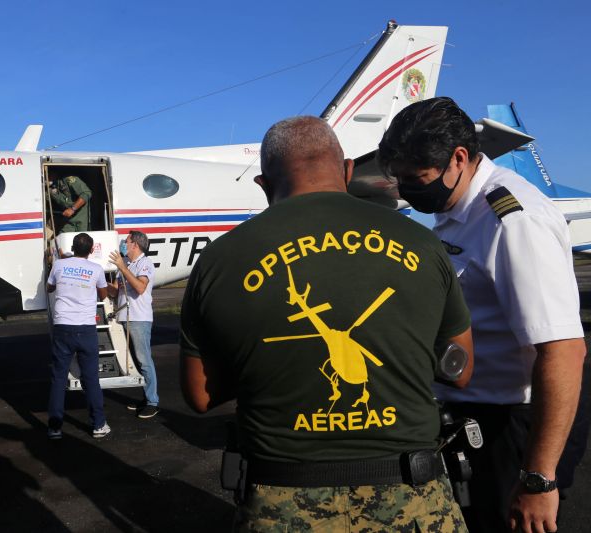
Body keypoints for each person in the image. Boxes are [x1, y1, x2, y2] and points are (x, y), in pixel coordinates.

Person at [180, 116, 473, 532]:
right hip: (416, 501)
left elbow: (200, 396)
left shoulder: (218, 261)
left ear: (263, 185)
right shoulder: (423, 244)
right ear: (349, 170)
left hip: (282, 505)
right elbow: (460, 371)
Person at [377, 96, 587, 533]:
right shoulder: (460, 209)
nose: (406, 191)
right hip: (476, 414)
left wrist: (538, 478)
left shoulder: (512, 220)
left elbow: (564, 351)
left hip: (519, 425)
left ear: (459, 158)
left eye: (416, 178)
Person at [46, 232, 110, 439]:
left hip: (63, 327)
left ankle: (55, 427)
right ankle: (98, 424)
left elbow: (49, 287)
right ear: (91, 250)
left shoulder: (58, 265)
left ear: (72, 248)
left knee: (58, 378)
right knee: (91, 378)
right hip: (86, 329)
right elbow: (103, 294)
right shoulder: (96, 269)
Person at [108, 231, 159, 418]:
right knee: (136, 362)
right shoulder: (127, 264)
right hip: (124, 317)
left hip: (139, 318)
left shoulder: (145, 264)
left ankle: (153, 401)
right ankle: (146, 398)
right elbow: (114, 292)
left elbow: (140, 287)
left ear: (135, 245)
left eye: (126, 241)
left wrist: (123, 268)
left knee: (144, 360)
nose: (123, 244)